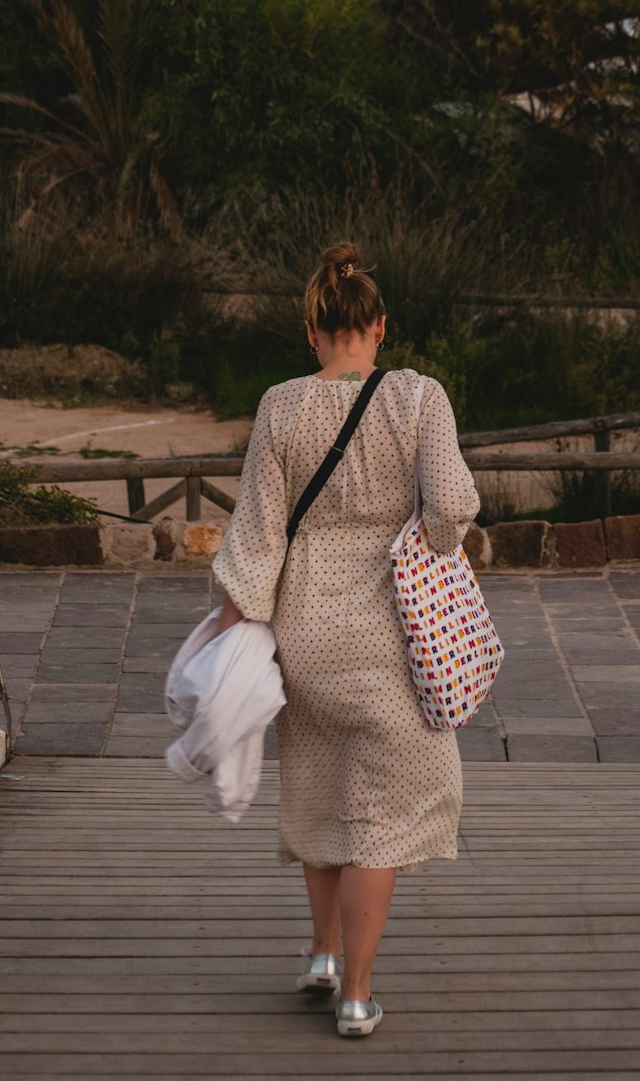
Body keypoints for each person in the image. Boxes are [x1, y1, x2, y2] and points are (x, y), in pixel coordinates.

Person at [212, 241, 480, 1038]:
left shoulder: (279, 405)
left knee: (325, 786)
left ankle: (323, 952)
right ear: (381, 327)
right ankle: (356, 996)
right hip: (394, 635)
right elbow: (452, 506)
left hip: (306, 632)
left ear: (312, 331)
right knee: (383, 816)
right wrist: (431, 539)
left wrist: (235, 627)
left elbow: (256, 534)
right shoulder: (420, 397)